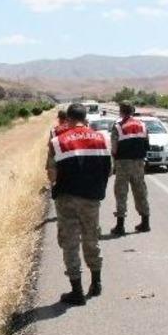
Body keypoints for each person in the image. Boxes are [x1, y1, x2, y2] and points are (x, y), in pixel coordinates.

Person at [46, 103, 113, 305]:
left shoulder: (57, 141)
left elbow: (51, 174)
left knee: (70, 243)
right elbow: (109, 170)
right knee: (92, 238)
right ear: (86, 118)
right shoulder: (102, 138)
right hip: (92, 198)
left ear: (67, 119)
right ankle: (96, 283)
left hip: (66, 199)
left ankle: (77, 291)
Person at [110, 102, 151, 235]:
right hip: (139, 163)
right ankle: (145, 222)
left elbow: (114, 149)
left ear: (121, 112)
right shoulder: (143, 125)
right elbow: (147, 144)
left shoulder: (118, 127)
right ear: (132, 111)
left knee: (121, 193)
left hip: (123, 163)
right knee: (140, 191)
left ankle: (120, 226)